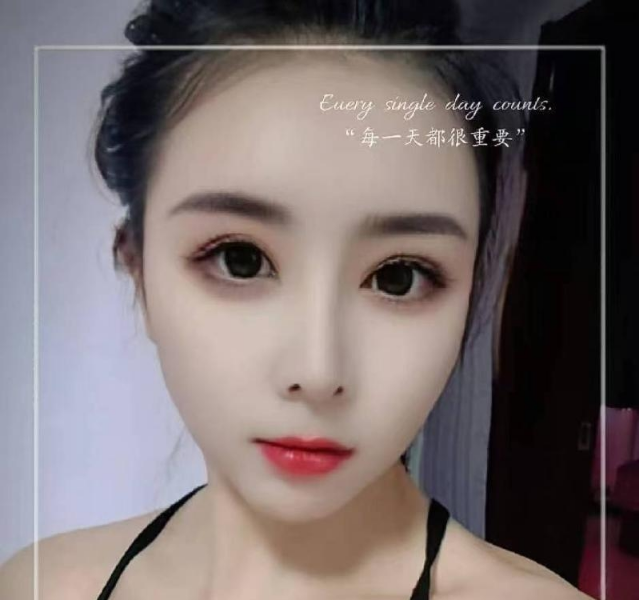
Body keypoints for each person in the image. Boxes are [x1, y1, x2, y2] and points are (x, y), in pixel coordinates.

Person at [0, 1, 593, 598]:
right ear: (140, 277)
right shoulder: (41, 585)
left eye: (398, 277)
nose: (318, 373)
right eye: (241, 259)